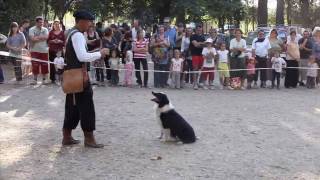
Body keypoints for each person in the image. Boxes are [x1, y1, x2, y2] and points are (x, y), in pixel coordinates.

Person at [62, 10, 109, 148]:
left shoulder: (71, 33)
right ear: (81, 21)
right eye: (88, 22)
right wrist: (99, 54)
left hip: (72, 76)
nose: (90, 24)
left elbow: (80, 54)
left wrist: (93, 51)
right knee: (87, 108)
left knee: (72, 106)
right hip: (80, 77)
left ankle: (67, 136)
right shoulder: (77, 35)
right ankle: (89, 139)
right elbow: (82, 57)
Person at [29, 16, 49, 85]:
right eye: (40, 22)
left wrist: (37, 37)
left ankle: (44, 79)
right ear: (36, 22)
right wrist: (41, 38)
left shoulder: (45, 29)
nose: (41, 24)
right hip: (34, 50)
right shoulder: (31, 29)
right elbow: (32, 39)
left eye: (42, 22)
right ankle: (35, 80)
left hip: (44, 50)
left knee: (44, 65)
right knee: (35, 65)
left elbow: (46, 37)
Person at [190, 24, 206, 90]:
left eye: (200, 30)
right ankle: (195, 83)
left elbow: (205, 45)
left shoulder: (203, 37)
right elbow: (195, 45)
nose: (199, 31)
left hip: (202, 55)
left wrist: (199, 43)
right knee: (195, 69)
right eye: (198, 30)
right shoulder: (192, 36)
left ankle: (200, 82)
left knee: (202, 69)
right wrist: (202, 44)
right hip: (195, 54)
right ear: (195, 30)